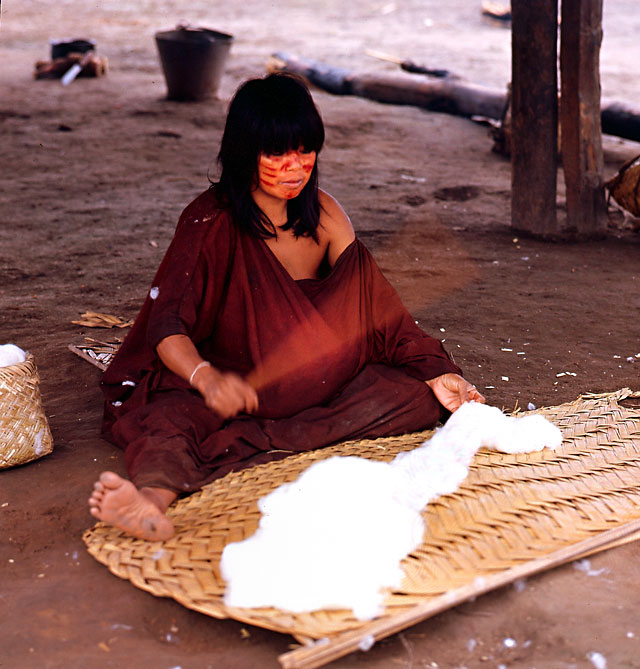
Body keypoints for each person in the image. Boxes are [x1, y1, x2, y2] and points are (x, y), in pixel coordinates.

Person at [88, 73, 484, 541]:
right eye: (276, 154)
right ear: (244, 153)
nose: (295, 167)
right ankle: (151, 501)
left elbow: (384, 317)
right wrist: (206, 378)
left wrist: (439, 370)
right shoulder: (209, 222)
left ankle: (288, 433)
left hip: (327, 390)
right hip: (231, 397)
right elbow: (167, 325)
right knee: (166, 420)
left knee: (420, 397)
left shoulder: (329, 216)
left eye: (304, 151)